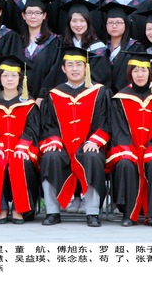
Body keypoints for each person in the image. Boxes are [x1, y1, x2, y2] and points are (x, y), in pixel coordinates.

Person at [38, 47, 112, 227]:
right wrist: (54, 140)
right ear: (63, 69)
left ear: (86, 68)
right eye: (70, 65)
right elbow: (48, 125)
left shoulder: (100, 92)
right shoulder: (54, 95)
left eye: (79, 64)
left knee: (92, 157)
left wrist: (95, 140)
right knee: (50, 157)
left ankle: (92, 212)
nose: (74, 69)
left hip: (88, 145)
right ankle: (52, 211)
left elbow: (106, 121)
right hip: (63, 147)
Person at [107, 52, 152, 227]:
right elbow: (118, 130)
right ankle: (128, 213)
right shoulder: (120, 99)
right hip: (129, 149)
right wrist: (129, 150)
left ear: (150, 73)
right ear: (130, 73)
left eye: (144, 70)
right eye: (136, 70)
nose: (140, 74)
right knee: (125, 163)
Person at [0, 55, 40, 224]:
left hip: (23, 148)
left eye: (14, 75)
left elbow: (32, 129)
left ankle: (20, 208)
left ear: (20, 78)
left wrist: (21, 147)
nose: (10, 79)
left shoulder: (28, 103)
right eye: (5, 75)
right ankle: (0, 208)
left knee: (20, 160)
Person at [44, 0, 111, 89]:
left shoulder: (98, 49)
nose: (78, 25)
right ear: (69, 23)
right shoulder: (61, 44)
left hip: (88, 93)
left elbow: (101, 78)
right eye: (74, 21)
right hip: (63, 92)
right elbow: (54, 72)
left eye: (82, 20)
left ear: (88, 22)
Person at [19, 0, 60, 105]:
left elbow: (55, 72)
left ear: (44, 15)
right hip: (20, 100)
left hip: (44, 101)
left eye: (37, 13)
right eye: (29, 13)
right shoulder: (17, 41)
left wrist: (42, 96)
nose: (33, 16)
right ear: (23, 15)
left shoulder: (54, 42)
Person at [100, 1, 145, 93]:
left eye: (119, 22)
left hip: (126, 94)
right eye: (110, 22)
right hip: (103, 95)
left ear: (126, 24)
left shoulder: (135, 47)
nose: (114, 26)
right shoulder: (100, 48)